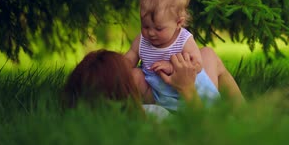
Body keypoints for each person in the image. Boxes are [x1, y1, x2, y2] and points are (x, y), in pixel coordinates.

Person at [124, 0, 244, 111]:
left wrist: (172, 67)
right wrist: (121, 66)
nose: (151, 33)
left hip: (185, 87)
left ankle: (240, 109)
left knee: (206, 59)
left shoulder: (183, 39)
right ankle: (154, 108)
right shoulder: (142, 40)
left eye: (159, 29)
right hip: (154, 90)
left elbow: (197, 65)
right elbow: (130, 57)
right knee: (134, 75)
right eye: (145, 26)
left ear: (178, 23)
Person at [63, 48, 228, 119]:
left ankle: (245, 113)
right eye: (132, 72)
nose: (140, 70)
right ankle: (245, 115)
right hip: (210, 120)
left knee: (207, 54)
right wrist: (186, 88)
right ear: (123, 91)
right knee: (209, 56)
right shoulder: (152, 116)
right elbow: (207, 132)